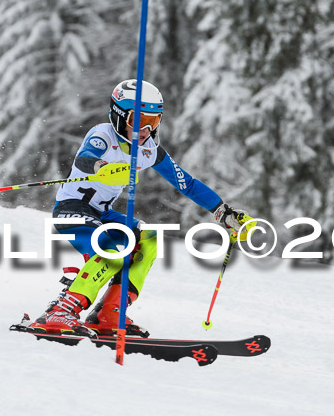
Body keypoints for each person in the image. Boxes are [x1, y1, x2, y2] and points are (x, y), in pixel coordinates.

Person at [20, 79, 251, 338]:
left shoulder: (149, 150)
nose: (145, 129)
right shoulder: (102, 135)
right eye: (138, 120)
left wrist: (223, 212)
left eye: (153, 122)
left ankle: (110, 312)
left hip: (102, 212)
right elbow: (86, 159)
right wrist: (101, 169)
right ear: (119, 116)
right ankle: (61, 311)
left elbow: (186, 183)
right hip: (73, 208)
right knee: (112, 249)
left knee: (149, 239)